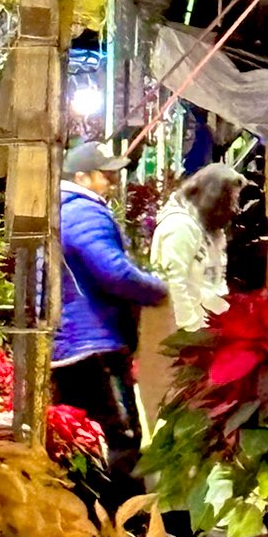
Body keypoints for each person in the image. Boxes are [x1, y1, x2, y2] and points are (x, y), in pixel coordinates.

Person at [54, 141, 167, 498]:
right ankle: (128, 526)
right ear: (81, 177)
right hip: (94, 344)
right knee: (121, 437)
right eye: (106, 176)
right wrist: (156, 289)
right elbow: (113, 272)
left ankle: (91, 519)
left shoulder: (60, 210)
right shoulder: (83, 213)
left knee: (82, 438)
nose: (113, 183)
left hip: (70, 344)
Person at [135, 166, 243, 429]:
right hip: (184, 337)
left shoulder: (210, 229)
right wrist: (190, 334)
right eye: (231, 200)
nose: (236, 208)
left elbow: (215, 281)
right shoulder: (179, 228)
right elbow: (176, 286)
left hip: (207, 333)